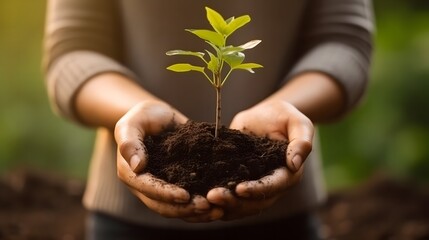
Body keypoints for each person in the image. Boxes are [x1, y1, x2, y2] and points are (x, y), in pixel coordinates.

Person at [42, 0, 374, 239]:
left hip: (283, 219)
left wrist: (287, 104)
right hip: (127, 221)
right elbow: (72, 49)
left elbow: (343, 41)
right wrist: (134, 108)